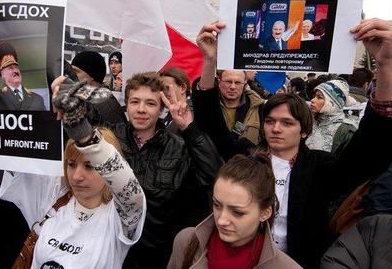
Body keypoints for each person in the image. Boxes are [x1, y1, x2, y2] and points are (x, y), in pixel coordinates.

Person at [192, 19, 392, 268]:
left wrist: (385, 66)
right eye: (271, 121)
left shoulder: (320, 167)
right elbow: (211, 125)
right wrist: (210, 61)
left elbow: (370, 152)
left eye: (287, 123)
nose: (276, 128)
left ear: (305, 131)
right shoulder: (247, 157)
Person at [54, 71, 222, 269]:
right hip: (105, 250)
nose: (141, 109)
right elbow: (77, 137)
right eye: (135, 102)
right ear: (126, 105)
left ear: (161, 108)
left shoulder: (179, 148)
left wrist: (189, 128)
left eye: (150, 103)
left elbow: (215, 176)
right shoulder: (108, 140)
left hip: (154, 257)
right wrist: (63, 91)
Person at [0, 83, 146, 269]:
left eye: (90, 166)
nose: (76, 176)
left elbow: (130, 191)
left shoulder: (119, 217)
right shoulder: (51, 197)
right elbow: (12, 155)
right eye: (71, 164)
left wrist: (84, 135)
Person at [167, 154, 301, 269]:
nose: (221, 220)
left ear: (265, 213)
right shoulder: (186, 242)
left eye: (237, 212)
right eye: (217, 205)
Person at [0, 31, 46, 111]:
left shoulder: (38, 99)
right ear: (2, 74)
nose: (15, 70)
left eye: (16, 67)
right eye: (10, 68)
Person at [307, 79, 357, 154]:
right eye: (314, 96)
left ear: (332, 103)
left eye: (319, 97)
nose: (312, 100)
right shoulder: (309, 120)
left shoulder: (346, 130)